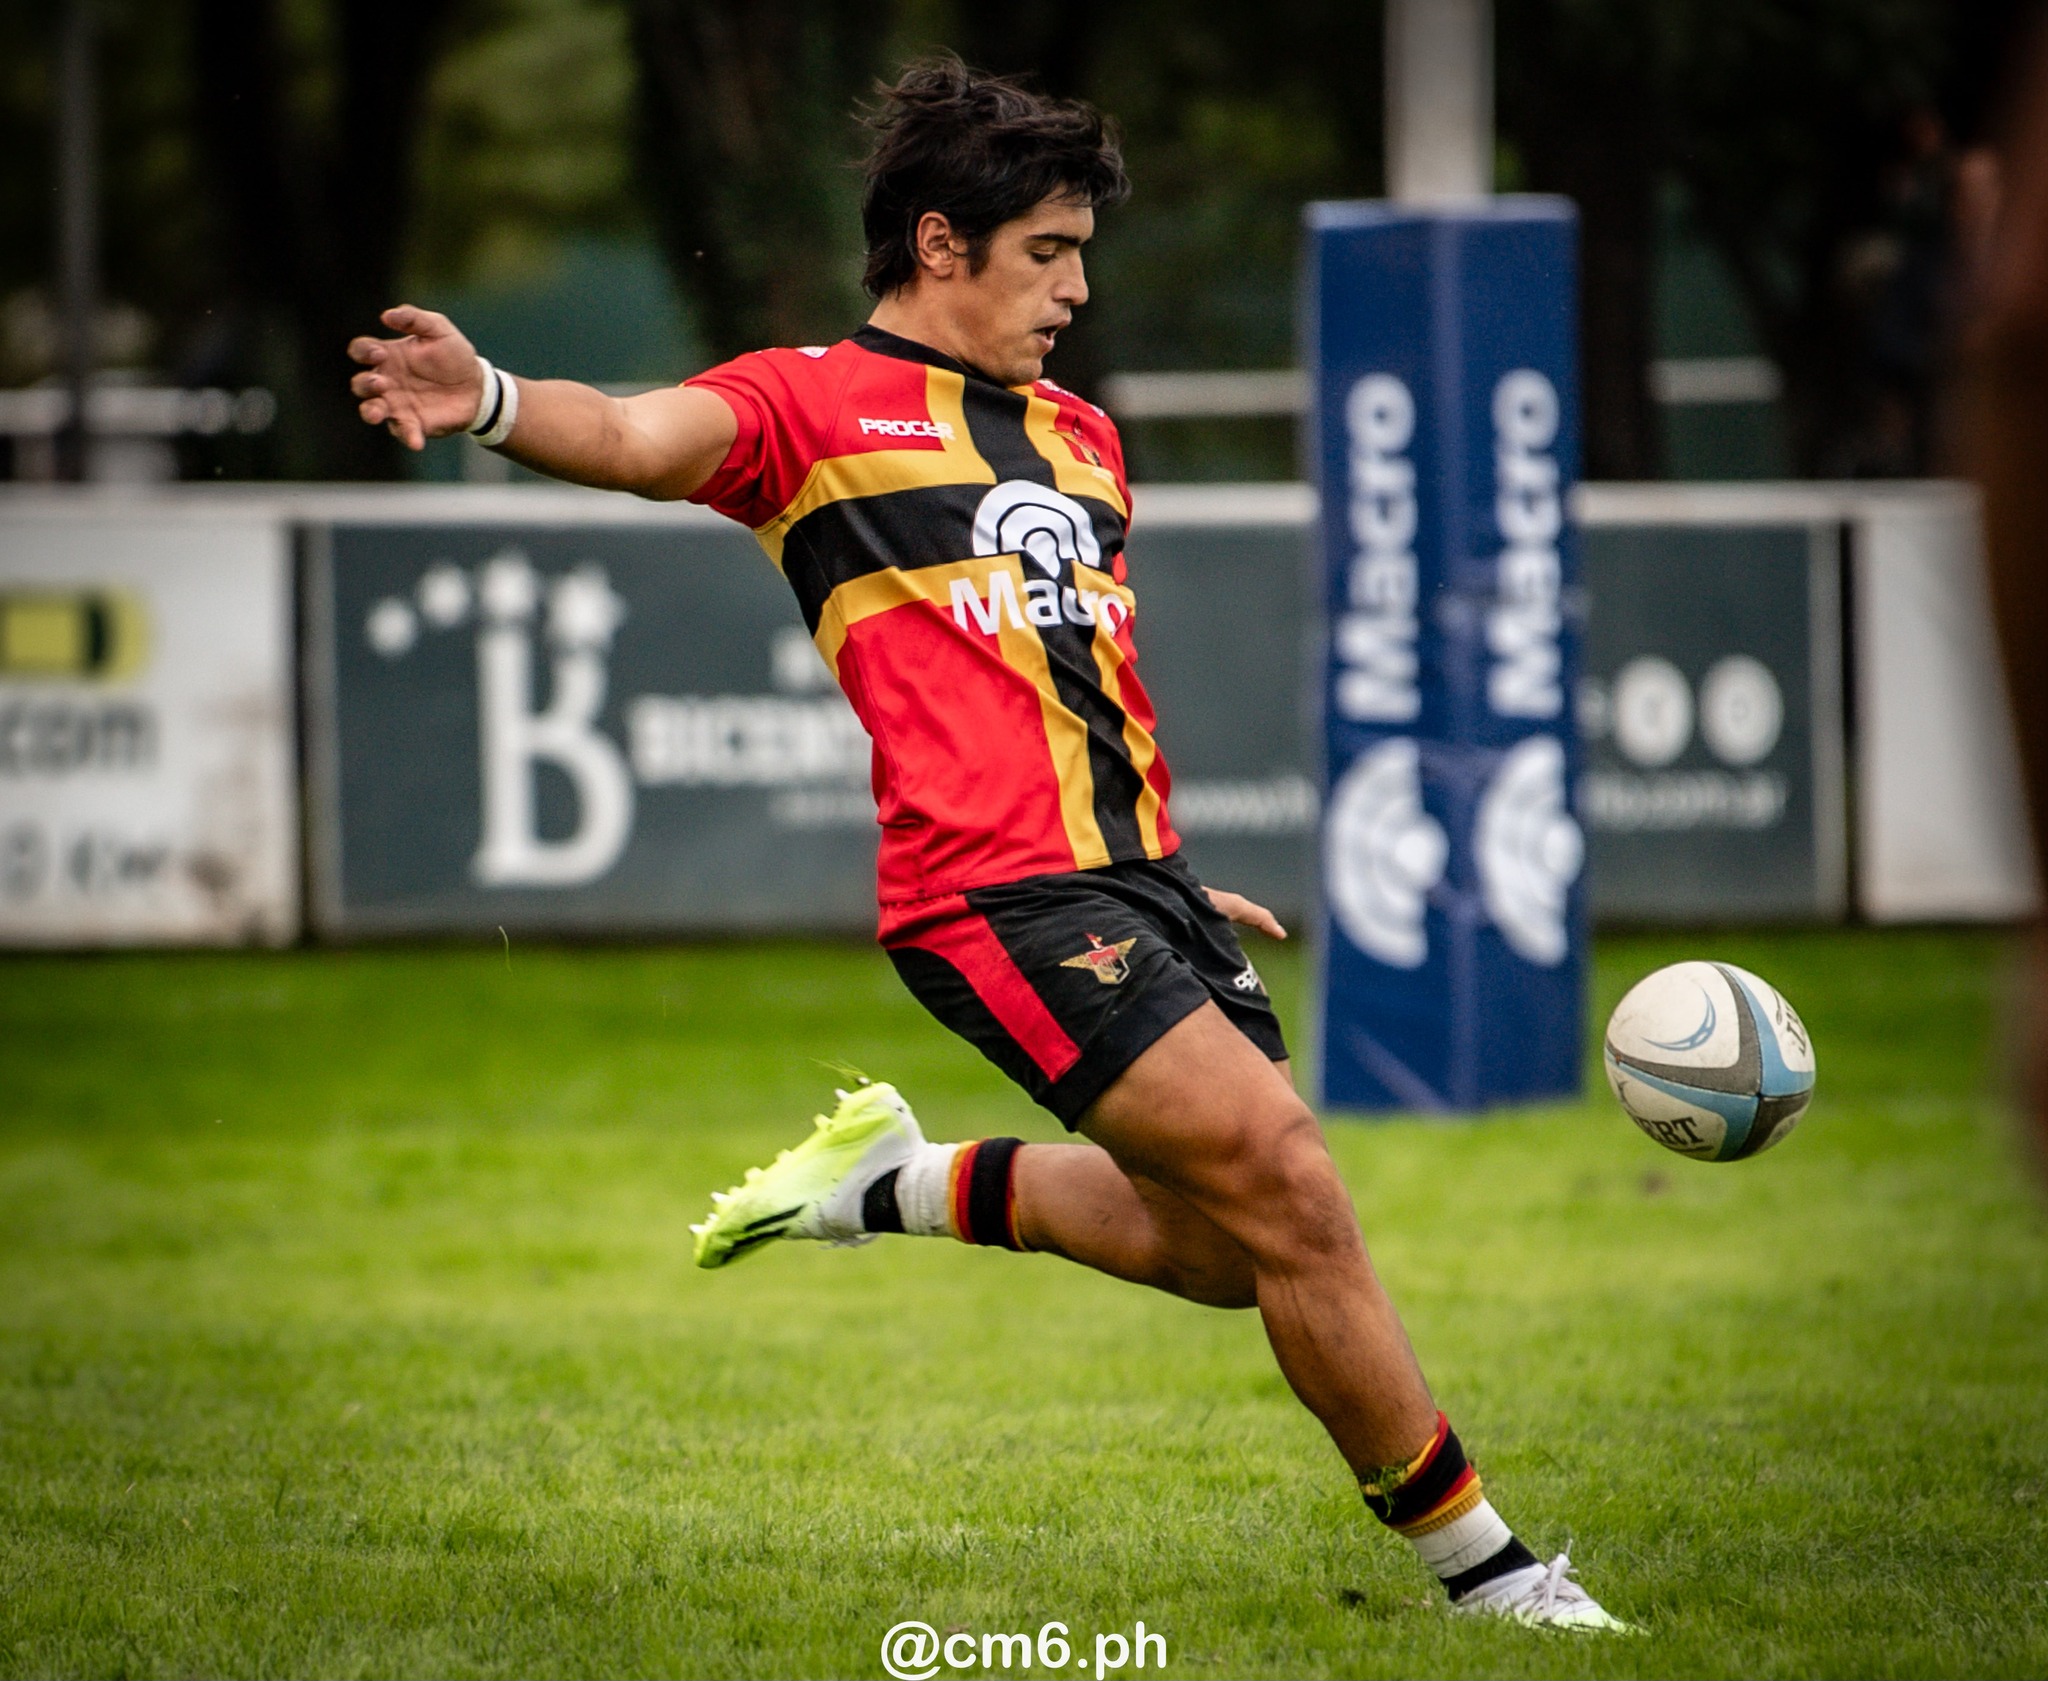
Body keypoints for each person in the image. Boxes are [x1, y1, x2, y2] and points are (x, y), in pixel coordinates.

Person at [348, 56, 1625, 1631]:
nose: (1080, 287)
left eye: (1083, 251)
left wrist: (1159, 876)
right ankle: (1487, 1575)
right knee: (1297, 1183)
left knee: (1234, 1255)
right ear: (939, 244)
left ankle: (900, 1183)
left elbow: (1074, 682)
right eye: (1049, 251)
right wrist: (483, 395)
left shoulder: (1082, 439)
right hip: (989, 899)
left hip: (1124, 881)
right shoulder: (804, 407)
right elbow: (624, 430)